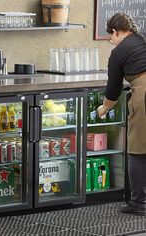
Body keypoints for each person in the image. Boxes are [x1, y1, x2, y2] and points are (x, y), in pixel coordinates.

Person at [97, 12, 146, 215]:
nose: (112, 41)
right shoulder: (142, 40)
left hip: (143, 94)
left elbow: (114, 89)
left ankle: (139, 203)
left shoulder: (119, 52)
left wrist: (104, 108)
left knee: (138, 150)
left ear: (115, 32)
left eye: (110, 38)